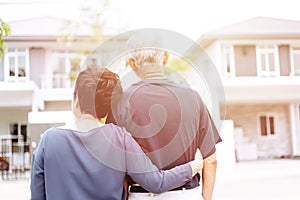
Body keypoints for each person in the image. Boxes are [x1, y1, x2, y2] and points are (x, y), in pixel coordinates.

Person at [30, 66, 203, 200]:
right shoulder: (119, 139)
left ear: (76, 99)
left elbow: (37, 196)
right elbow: (156, 183)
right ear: (108, 107)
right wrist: (193, 166)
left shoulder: (48, 141)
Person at [107, 34, 222, 200]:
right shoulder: (193, 98)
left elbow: (116, 166)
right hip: (186, 195)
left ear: (132, 64)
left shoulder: (120, 103)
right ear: (165, 58)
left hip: (140, 195)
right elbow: (211, 160)